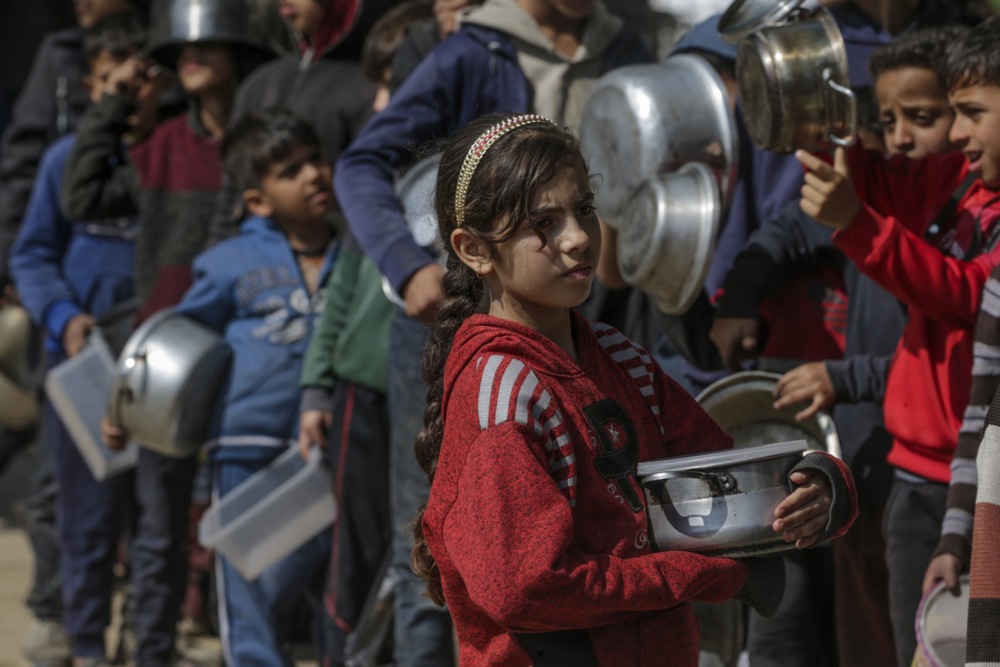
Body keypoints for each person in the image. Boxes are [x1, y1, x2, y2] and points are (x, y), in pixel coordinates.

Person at [410, 112, 858, 666]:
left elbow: (732, 479)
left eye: (584, 211)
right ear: (474, 250)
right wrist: (692, 574)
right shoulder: (503, 395)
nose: (576, 238)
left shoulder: (622, 359)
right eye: (542, 224)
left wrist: (816, 488)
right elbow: (524, 589)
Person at [334, 3, 653, 664]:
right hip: (454, 320)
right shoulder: (476, 53)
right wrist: (405, 263)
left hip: (577, 325)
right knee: (432, 540)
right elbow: (361, 165)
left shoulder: (626, 51)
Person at [709, 26, 968, 666]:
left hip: (941, 477)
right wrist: (740, 300)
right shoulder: (885, 187)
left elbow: (953, 330)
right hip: (872, 466)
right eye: (888, 120)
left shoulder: (965, 217)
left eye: (925, 117)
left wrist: (844, 375)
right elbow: (785, 231)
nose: (903, 136)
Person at [795, 15, 1000, 665]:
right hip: (917, 469)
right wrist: (825, 131)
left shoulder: (971, 185)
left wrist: (856, 223)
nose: (907, 139)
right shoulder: (962, 186)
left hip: (963, 482)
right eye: (889, 120)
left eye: (948, 113)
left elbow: (965, 294)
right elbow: (882, 178)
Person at [160, 107, 336, 666]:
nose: (313, 174)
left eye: (315, 160)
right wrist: (134, 410)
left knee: (338, 595)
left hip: (332, 455)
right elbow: (181, 348)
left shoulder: (357, 252)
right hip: (246, 453)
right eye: (291, 170)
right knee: (249, 595)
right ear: (257, 200)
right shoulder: (226, 262)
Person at [206, 0, 390, 245]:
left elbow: (370, 196)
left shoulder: (369, 91)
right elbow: (232, 192)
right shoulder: (259, 84)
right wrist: (222, 255)